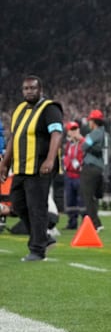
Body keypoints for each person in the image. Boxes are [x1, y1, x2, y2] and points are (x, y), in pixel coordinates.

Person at [0, 75, 64, 261]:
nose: (29, 91)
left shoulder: (50, 108)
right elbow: (14, 137)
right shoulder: (19, 109)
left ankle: (37, 250)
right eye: (26, 89)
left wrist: (50, 159)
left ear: (40, 90)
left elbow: (57, 134)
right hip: (21, 166)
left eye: (32, 88)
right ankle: (44, 238)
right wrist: (5, 163)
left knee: (37, 207)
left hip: (39, 167)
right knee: (18, 204)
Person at [80, 109, 108, 231]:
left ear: (94, 122)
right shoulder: (104, 133)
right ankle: (96, 222)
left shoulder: (95, 133)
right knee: (93, 197)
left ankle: (94, 224)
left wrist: (85, 141)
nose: (89, 123)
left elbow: (84, 146)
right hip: (99, 167)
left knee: (88, 196)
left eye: (90, 120)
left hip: (91, 167)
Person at [62, 121, 85, 230]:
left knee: (82, 200)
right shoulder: (68, 144)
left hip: (79, 175)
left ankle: (86, 223)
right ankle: (72, 222)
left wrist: (81, 139)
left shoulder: (83, 142)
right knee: (70, 200)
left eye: (75, 129)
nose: (74, 131)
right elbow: (66, 156)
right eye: (72, 130)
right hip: (69, 175)